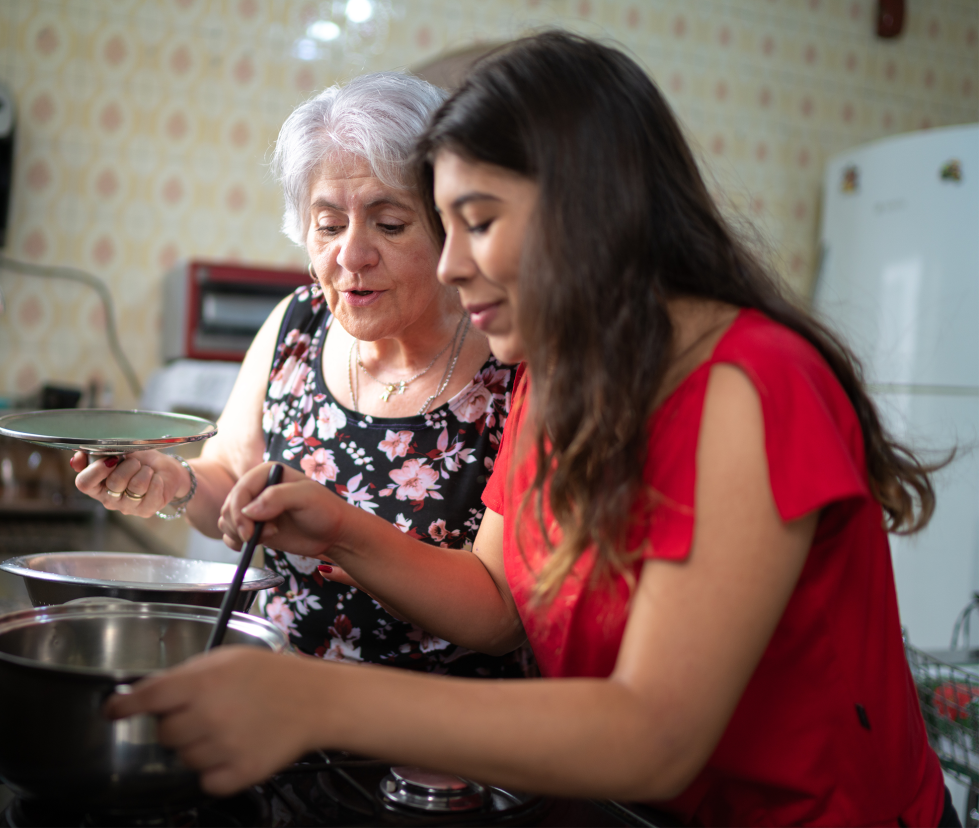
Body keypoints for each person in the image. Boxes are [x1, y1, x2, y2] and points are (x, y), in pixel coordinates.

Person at [103, 31, 958, 828]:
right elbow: (497, 602)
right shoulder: (561, 380)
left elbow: (654, 735)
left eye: (473, 221)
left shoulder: (749, 385)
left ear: (588, 208)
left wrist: (315, 702)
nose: (447, 264)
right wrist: (331, 525)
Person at [71, 72, 529, 678]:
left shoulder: (513, 361)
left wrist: (342, 533)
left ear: (449, 226)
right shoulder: (296, 325)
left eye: (389, 225)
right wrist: (174, 482)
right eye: (329, 225)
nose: (351, 255)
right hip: (281, 708)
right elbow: (233, 483)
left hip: (437, 748)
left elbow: (499, 620)